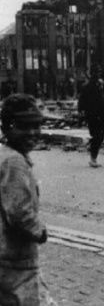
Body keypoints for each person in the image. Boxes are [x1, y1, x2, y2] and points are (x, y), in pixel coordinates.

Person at [0, 94, 55, 305]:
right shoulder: (14, 162)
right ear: (7, 127)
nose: (32, 133)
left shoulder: (6, 155)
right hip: (16, 259)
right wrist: (40, 232)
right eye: (24, 127)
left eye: (36, 126)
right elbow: (19, 212)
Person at [78, 76, 104, 168]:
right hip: (94, 117)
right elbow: (82, 102)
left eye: (102, 84)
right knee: (97, 136)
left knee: (100, 137)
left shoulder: (102, 93)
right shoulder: (91, 91)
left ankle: (93, 154)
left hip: (101, 118)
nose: (101, 86)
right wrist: (82, 115)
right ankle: (93, 159)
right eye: (100, 84)